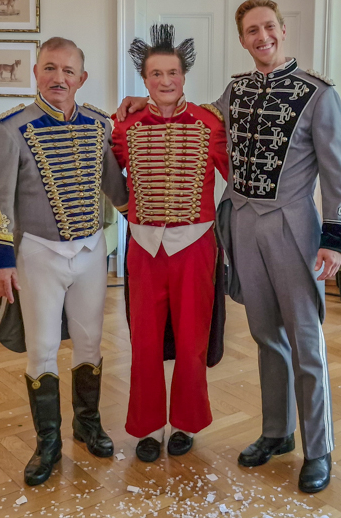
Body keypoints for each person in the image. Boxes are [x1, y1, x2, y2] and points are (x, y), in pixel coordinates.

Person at [117, 0, 341, 493]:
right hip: (242, 226)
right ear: (242, 40)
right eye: (251, 30)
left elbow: (338, 174)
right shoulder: (236, 91)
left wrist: (335, 236)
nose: (261, 36)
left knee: (306, 342)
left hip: (293, 227)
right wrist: (144, 101)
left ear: (282, 31)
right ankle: (275, 431)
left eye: (268, 27)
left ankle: (320, 448)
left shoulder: (318, 94)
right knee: (268, 337)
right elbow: (190, 116)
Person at [0, 37, 129, 486]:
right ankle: (47, 443)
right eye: (50, 68)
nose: (58, 78)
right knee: (42, 348)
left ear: (82, 78)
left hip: (89, 253)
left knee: (89, 344)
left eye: (68, 70)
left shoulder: (100, 125)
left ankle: (87, 424)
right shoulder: (9, 129)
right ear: (36, 73)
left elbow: (119, 190)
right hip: (36, 255)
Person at [111, 25, 229, 463]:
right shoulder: (125, 124)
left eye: (173, 73)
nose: (165, 81)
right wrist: (126, 210)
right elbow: (108, 172)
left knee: (192, 339)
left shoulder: (210, 123)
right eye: (156, 74)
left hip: (196, 244)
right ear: (144, 80)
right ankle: (145, 427)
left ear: (184, 76)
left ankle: (184, 423)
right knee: (142, 342)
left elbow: (237, 177)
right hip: (143, 247)